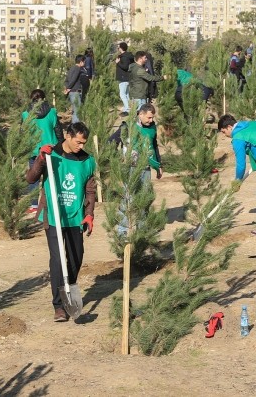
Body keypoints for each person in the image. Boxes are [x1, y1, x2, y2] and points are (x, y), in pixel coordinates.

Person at [25, 122, 96, 322]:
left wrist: (89, 214)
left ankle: (68, 291)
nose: (81, 146)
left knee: (76, 257)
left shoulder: (87, 160)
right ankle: (58, 306)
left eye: (84, 143)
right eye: (78, 142)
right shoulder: (50, 155)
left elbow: (90, 189)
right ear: (67, 136)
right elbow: (30, 179)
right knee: (57, 260)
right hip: (54, 216)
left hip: (75, 216)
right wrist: (40, 159)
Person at [109, 104, 162, 236]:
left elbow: (154, 146)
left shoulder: (152, 128)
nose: (151, 120)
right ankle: (122, 233)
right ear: (140, 114)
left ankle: (141, 233)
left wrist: (159, 165)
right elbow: (112, 141)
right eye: (149, 117)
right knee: (127, 200)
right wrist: (116, 158)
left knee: (144, 200)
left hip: (145, 168)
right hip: (130, 168)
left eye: (152, 118)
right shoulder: (128, 126)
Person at [22, 88, 59, 212]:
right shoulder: (52, 112)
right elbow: (58, 130)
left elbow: (22, 133)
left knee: (33, 178)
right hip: (51, 150)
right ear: (44, 99)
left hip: (34, 150)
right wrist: (61, 147)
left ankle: (33, 205)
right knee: (51, 177)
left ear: (31, 99)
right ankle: (51, 203)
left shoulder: (26, 114)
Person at [63, 55, 89, 123]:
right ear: (81, 62)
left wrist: (66, 87)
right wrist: (68, 88)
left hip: (72, 92)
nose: (85, 63)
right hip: (75, 92)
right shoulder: (77, 68)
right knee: (77, 111)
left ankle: (74, 125)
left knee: (75, 110)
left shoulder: (71, 68)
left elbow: (66, 80)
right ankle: (76, 126)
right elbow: (73, 79)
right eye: (84, 62)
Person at [114, 42, 135, 116]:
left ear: (121, 48)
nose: (118, 49)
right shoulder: (128, 56)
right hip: (127, 77)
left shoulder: (124, 57)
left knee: (122, 94)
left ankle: (127, 109)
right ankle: (129, 108)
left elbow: (125, 67)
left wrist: (118, 63)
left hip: (123, 78)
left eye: (118, 47)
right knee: (126, 94)